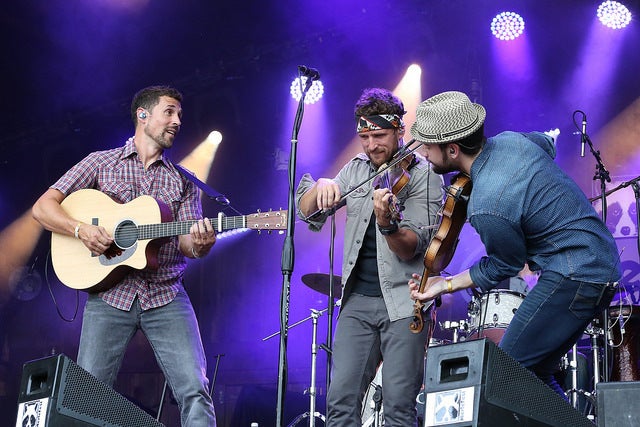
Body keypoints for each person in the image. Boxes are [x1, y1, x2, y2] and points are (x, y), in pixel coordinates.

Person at [408, 91, 621, 398]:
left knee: (506, 371)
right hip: (598, 260)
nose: (424, 153)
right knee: (532, 373)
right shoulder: (512, 140)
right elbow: (546, 144)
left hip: (578, 272)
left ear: (453, 149)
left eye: (428, 146)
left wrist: (446, 284)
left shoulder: (488, 203)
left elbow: (504, 265)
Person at [32, 85, 217, 426]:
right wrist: (80, 230)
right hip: (110, 296)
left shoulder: (184, 180)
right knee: (85, 396)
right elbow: (43, 208)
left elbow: (190, 244)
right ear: (142, 115)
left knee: (194, 389)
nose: (177, 121)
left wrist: (202, 244)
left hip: (166, 294)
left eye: (179, 115)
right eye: (169, 112)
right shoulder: (101, 163)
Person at [296, 88, 444, 426]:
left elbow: (413, 246)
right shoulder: (355, 168)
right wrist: (320, 187)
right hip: (356, 303)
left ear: (399, 131)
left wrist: (388, 225)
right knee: (340, 401)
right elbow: (309, 214)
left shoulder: (425, 175)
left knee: (397, 406)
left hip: (406, 304)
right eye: (364, 136)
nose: (371, 145)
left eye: (378, 135)